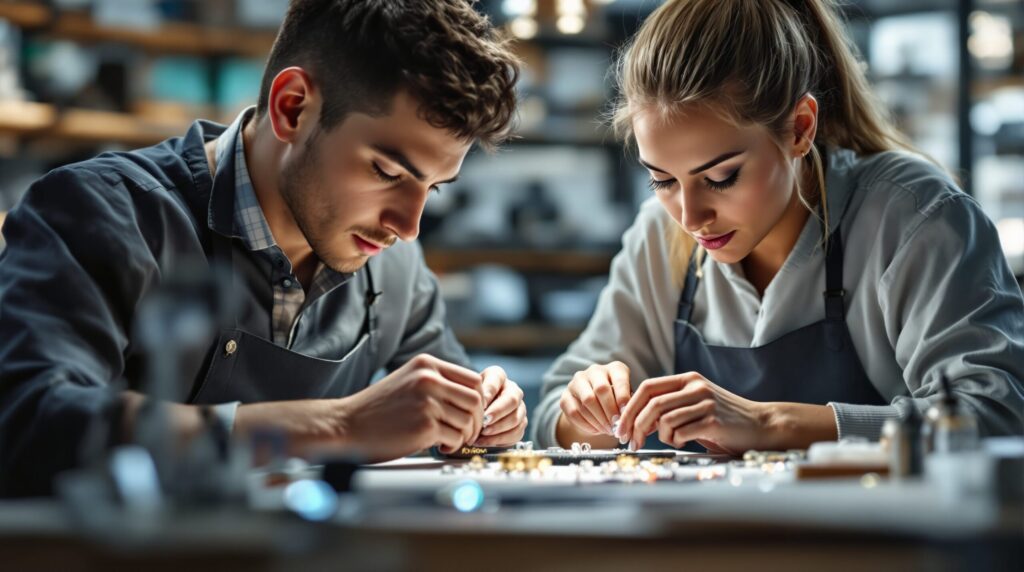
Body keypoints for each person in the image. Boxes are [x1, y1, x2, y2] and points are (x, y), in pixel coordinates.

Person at [0, 0, 527, 497]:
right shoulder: (108, 215)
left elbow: (452, 420)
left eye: (432, 188)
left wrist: (483, 413)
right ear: (292, 107)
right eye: (386, 171)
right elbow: (27, 422)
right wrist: (339, 426)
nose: (408, 226)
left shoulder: (395, 267)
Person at [532, 0, 1024, 453]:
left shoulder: (914, 216)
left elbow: (996, 413)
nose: (689, 216)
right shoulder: (659, 237)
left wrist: (772, 425)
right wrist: (587, 411)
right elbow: (551, 414)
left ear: (799, 128)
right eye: (662, 180)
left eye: (721, 177)